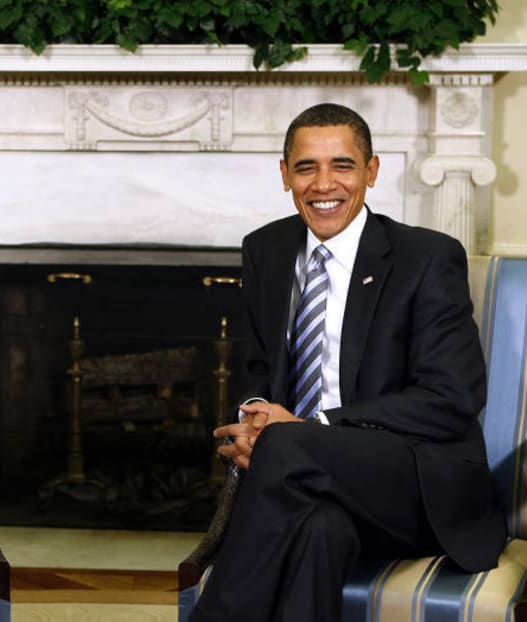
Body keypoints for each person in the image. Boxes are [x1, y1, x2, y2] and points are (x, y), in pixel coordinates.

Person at [189, 103, 506, 621]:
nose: (323, 183)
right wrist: (254, 416)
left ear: (372, 171)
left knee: (287, 443)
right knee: (320, 531)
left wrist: (309, 427)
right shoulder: (265, 250)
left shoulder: (425, 258)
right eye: (306, 167)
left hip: (415, 482)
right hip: (307, 481)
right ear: (285, 174)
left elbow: (453, 401)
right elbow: (259, 364)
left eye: (342, 165)